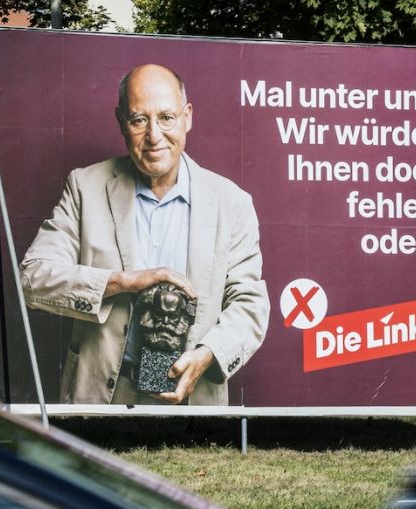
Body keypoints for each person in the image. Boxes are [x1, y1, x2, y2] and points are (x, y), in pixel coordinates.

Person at [21, 64, 266, 405]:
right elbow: (33, 278)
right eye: (139, 119)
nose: (154, 135)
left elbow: (250, 305)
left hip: (193, 403)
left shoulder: (232, 203)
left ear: (187, 117)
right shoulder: (85, 187)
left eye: (166, 117)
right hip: (100, 401)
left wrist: (209, 354)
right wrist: (123, 282)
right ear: (121, 120)